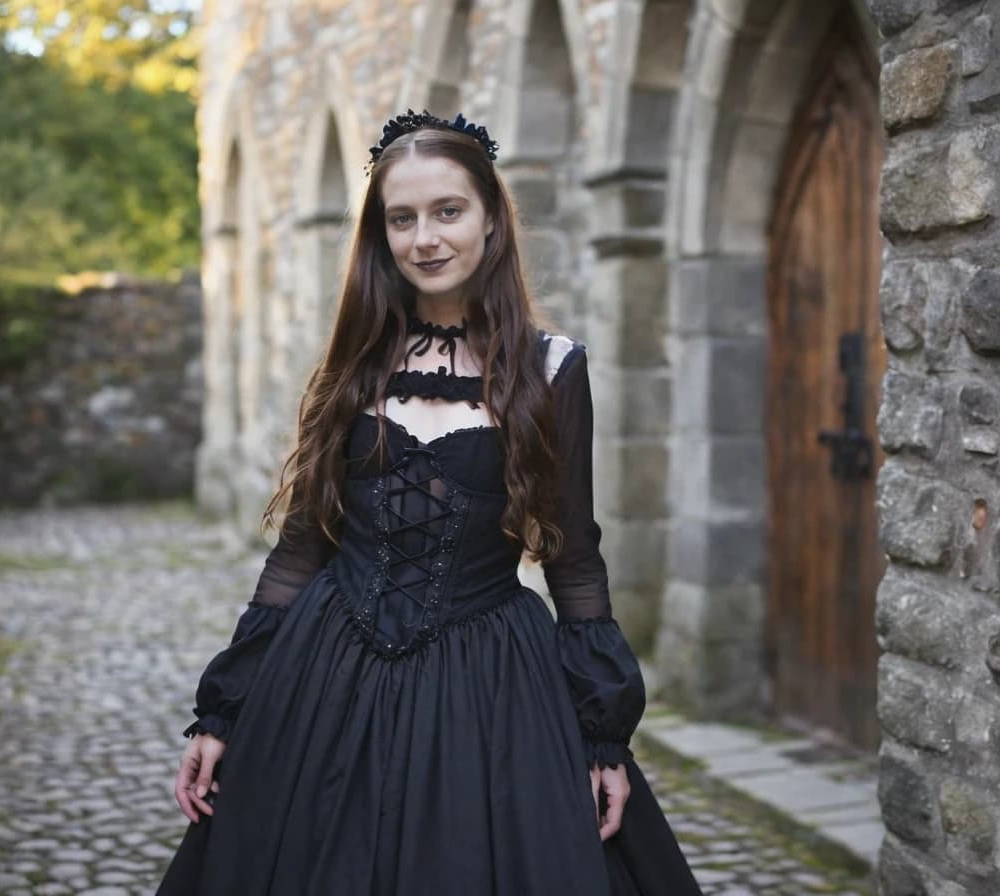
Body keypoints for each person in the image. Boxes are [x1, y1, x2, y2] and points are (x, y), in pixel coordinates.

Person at [157, 110, 703, 896]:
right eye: (401, 218)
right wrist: (223, 714)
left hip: (488, 687)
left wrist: (602, 740)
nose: (425, 238)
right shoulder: (354, 362)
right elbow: (303, 547)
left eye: (448, 211)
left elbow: (574, 560)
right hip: (325, 676)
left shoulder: (552, 371)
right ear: (381, 235)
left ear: (490, 219)